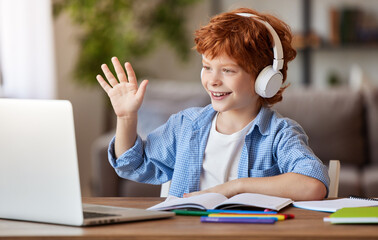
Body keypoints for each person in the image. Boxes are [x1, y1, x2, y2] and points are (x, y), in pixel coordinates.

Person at [96, 7, 329, 200]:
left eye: (227, 70)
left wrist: (236, 187)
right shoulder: (185, 125)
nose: (213, 81)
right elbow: (131, 165)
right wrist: (126, 118)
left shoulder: (280, 134)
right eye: (207, 67)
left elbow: (313, 185)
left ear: (264, 80)